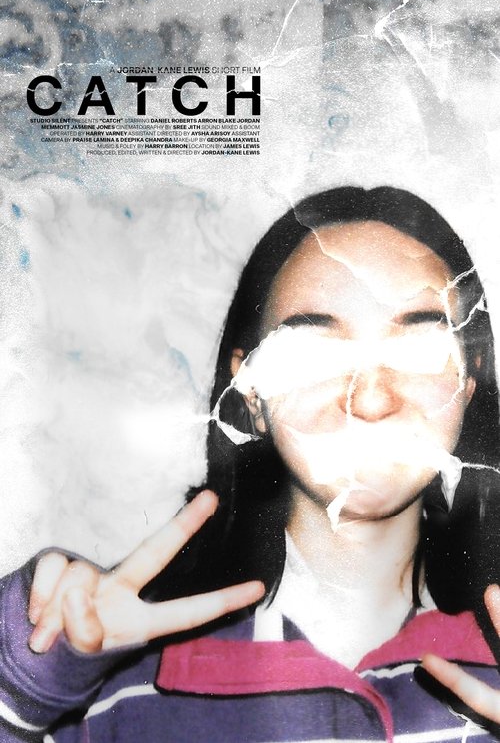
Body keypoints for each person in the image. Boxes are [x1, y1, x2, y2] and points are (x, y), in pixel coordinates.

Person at [1, 186, 500, 742]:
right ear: (251, 393)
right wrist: (22, 685)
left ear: (469, 380)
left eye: (419, 349)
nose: (371, 399)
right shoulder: (111, 667)